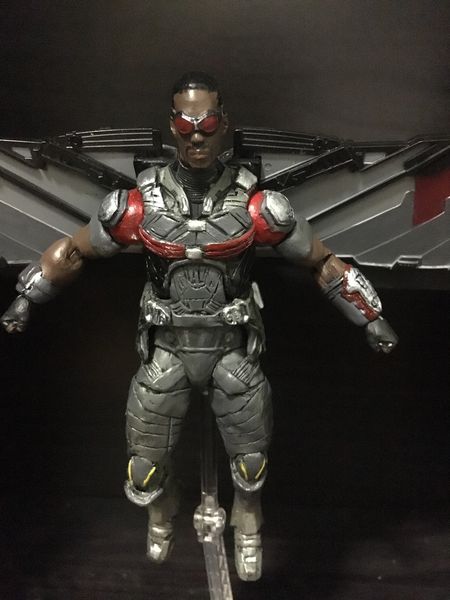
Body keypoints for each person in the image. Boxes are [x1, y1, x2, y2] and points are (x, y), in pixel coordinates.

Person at [0, 72, 397, 581]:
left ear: (223, 124)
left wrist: (371, 316)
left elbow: (321, 261)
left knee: (250, 464)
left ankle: (248, 518)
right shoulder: (138, 206)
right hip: (166, 349)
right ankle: (162, 510)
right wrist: (27, 296)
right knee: (143, 470)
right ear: (172, 126)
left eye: (207, 125)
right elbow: (75, 251)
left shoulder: (257, 207)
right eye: (186, 126)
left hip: (232, 350)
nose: (196, 137)